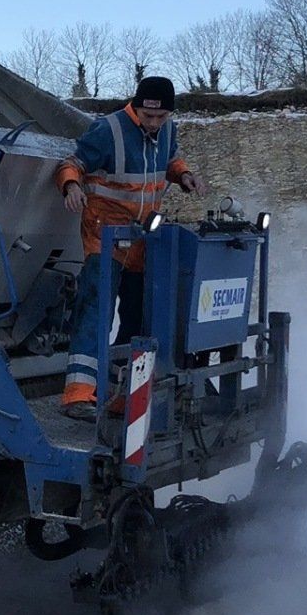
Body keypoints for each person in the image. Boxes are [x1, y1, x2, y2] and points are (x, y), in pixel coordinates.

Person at [55, 74, 206, 421]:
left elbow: (169, 161)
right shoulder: (107, 130)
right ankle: (78, 394)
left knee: (140, 315)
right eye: (147, 116)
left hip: (142, 239)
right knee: (96, 310)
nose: (153, 123)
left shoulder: (167, 131)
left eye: (160, 117)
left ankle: (119, 391)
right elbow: (71, 164)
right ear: (135, 107)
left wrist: (183, 175)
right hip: (104, 236)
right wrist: (71, 187)